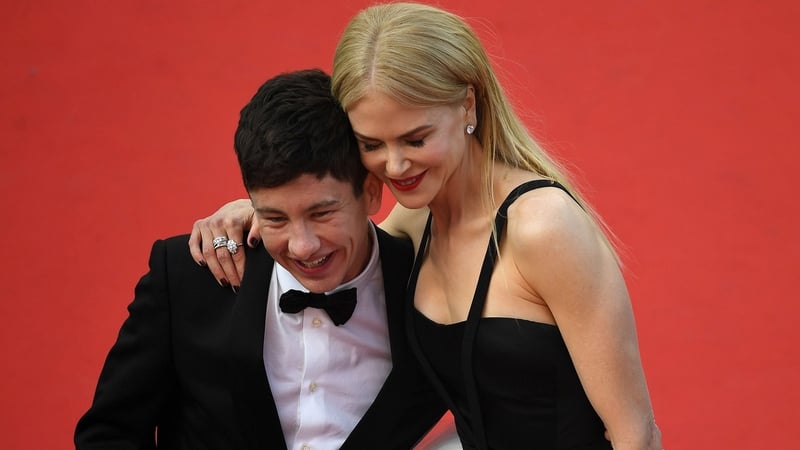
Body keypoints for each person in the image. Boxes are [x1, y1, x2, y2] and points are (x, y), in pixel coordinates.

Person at [191, 3, 663, 449]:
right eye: (371, 143)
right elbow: (337, 238)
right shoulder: (415, 223)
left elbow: (635, 433)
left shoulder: (542, 227)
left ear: (468, 108)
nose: (395, 165)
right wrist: (259, 211)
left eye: (416, 138)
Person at [75, 69, 445, 450]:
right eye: (275, 218)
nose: (302, 246)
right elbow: (108, 434)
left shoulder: (430, 290)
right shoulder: (188, 276)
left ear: (370, 192)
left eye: (321, 214)